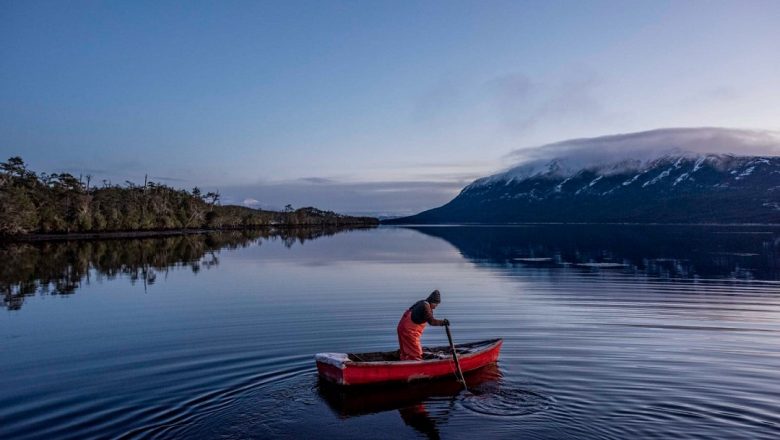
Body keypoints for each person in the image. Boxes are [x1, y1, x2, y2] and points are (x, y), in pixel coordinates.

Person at [397, 290, 450, 361]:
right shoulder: (426, 307)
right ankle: (415, 365)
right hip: (409, 331)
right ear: (432, 301)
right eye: (436, 304)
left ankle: (404, 361)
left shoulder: (421, 302)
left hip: (401, 327)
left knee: (405, 351)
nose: (436, 306)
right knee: (416, 353)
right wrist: (443, 322)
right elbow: (432, 321)